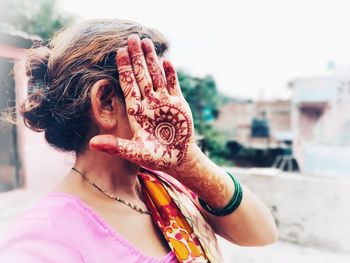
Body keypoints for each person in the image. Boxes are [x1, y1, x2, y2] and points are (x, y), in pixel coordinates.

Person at [0, 19, 278, 263]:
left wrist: (191, 162)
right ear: (106, 102)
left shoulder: (166, 184)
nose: (172, 103)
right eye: (156, 87)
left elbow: (262, 234)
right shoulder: (44, 237)